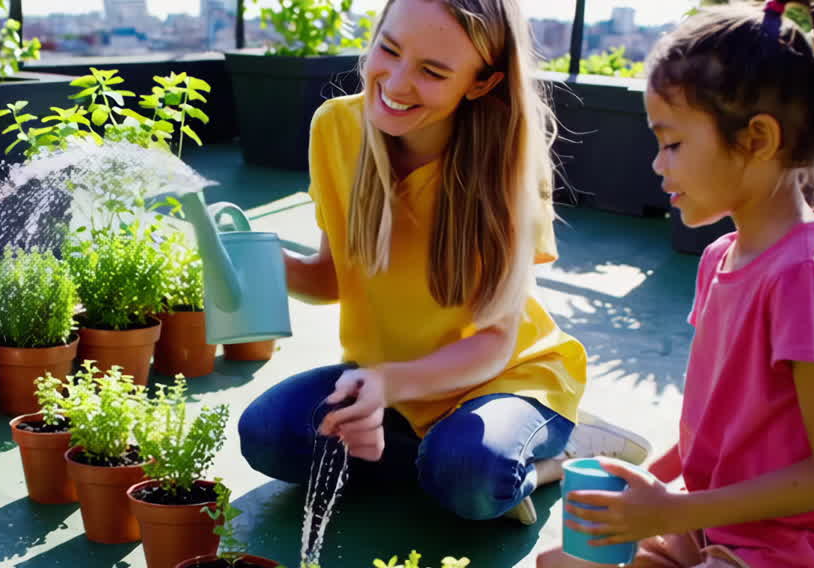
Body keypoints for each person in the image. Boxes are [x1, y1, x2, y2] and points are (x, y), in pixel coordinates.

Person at [536, 2, 814, 568]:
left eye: (671, 143)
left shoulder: (808, 278)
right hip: (720, 529)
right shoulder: (724, 256)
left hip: (793, 558)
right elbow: (723, 416)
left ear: (756, 139)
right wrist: (657, 483)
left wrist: (671, 510)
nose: (657, 164)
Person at [237, 0, 651, 526]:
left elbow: (496, 341)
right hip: (387, 382)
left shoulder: (507, 164)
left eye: (433, 72)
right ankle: (449, 459)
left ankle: (561, 448)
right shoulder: (335, 127)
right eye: (388, 48)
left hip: (502, 377)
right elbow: (332, 278)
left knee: (471, 480)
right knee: (269, 438)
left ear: (480, 83)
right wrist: (266, 263)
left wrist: (388, 386)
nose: (398, 81)